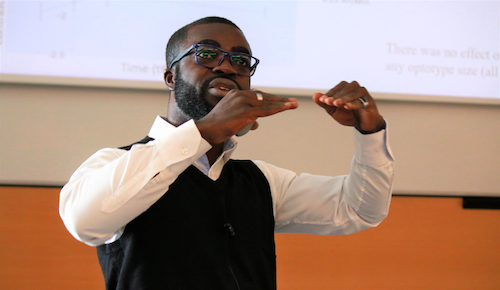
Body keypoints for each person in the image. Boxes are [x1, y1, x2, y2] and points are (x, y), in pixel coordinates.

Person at [59, 16, 394, 290]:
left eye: (240, 60)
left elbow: (359, 209)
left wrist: (370, 131)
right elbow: (83, 221)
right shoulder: (116, 163)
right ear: (170, 76)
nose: (228, 67)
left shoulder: (262, 181)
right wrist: (203, 131)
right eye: (207, 54)